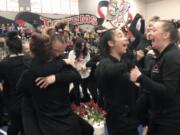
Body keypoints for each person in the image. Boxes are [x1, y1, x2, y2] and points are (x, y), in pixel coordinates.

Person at [130, 20, 180, 135]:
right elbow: (152, 74)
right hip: (158, 115)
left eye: (154, 30)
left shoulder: (172, 56)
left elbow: (168, 92)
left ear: (165, 35)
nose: (149, 33)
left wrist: (140, 78)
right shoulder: (162, 56)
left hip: (169, 120)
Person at [95, 28, 139, 135]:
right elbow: (108, 71)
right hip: (118, 120)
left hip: (130, 117)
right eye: (120, 36)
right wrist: (129, 65)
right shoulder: (105, 62)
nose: (125, 38)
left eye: (124, 35)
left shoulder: (122, 61)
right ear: (110, 43)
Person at [0, 31, 25, 135]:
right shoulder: (29, 60)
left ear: (8, 48)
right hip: (27, 99)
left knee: (15, 125)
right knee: (24, 125)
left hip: (12, 99)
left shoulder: (5, 63)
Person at [68, 38, 91, 103]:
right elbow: (70, 63)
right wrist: (76, 61)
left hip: (84, 75)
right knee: (76, 90)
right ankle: (77, 104)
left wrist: (83, 67)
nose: (82, 47)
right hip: (75, 74)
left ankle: (86, 103)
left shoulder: (87, 53)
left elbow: (88, 63)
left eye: (83, 46)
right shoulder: (72, 53)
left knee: (84, 90)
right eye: (81, 46)